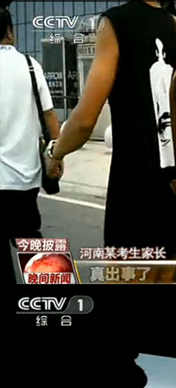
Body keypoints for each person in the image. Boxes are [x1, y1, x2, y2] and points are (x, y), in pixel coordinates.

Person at [45, 0, 176, 284]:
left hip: (133, 202)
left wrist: (55, 152)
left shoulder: (113, 24)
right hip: (175, 200)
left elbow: (85, 119)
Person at [0, 5, 62, 284]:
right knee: (33, 243)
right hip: (25, 178)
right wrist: (57, 155)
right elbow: (49, 115)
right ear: (10, 32)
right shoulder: (30, 65)